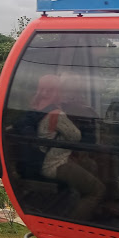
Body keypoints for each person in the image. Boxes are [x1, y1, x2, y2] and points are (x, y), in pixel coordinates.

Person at [34, 75, 105, 221]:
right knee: (97, 190)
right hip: (56, 163)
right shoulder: (57, 114)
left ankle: (92, 207)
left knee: (93, 165)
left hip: (61, 158)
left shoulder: (40, 109)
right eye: (69, 93)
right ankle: (76, 222)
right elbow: (76, 136)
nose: (73, 97)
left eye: (77, 93)